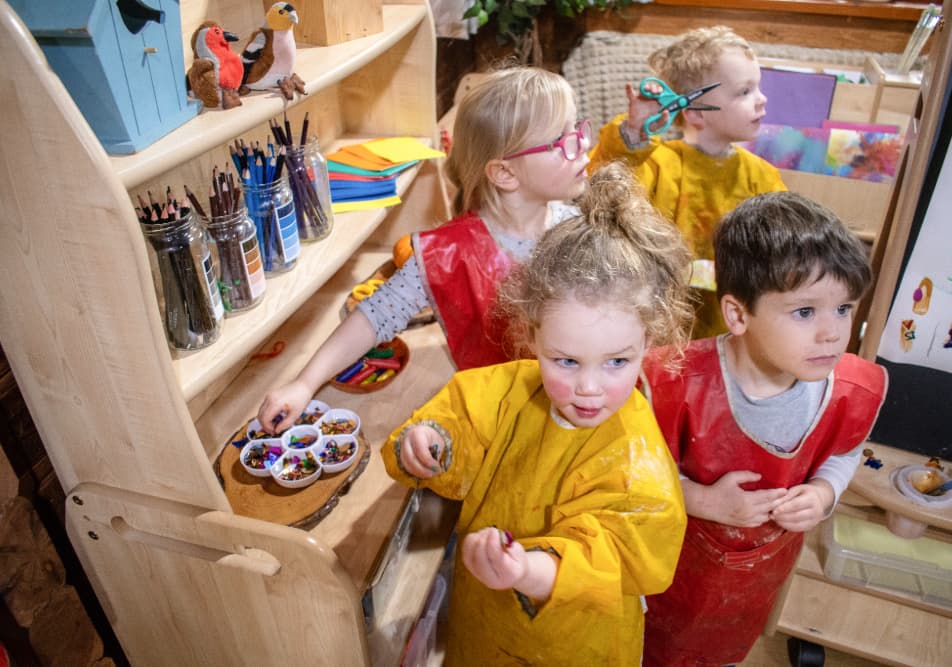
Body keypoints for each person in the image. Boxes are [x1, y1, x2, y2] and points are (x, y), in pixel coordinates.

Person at [381, 162, 694, 665]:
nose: (589, 387)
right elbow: (458, 418)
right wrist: (427, 444)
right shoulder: (507, 389)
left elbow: (614, 555)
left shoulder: (637, 461)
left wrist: (525, 571)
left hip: (573, 642)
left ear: (649, 342)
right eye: (565, 361)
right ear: (532, 336)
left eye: (617, 361)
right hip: (485, 624)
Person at [257, 66, 592, 433]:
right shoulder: (446, 254)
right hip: (499, 419)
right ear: (505, 174)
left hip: (583, 407)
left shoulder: (580, 228)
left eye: (579, 130)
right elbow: (372, 317)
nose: (585, 146)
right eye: (564, 140)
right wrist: (304, 384)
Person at [640, 191, 888, 666]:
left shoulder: (850, 389)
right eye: (805, 311)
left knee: (725, 652)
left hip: (753, 587)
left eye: (844, 308)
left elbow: (842, 453)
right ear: (737, 314)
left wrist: (823, 493)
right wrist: (703, 499)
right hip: (667, 581)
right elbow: (634, 474)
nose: (833, 332)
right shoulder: (670, 382)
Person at [589, 25, 786, 339]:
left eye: (758, 87)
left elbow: (783, 245)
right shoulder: (656, 162)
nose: (762, 99)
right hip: (657, 326)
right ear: (695, 113)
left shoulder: (762, 176)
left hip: (733, 330)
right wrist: (635, 131)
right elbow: (603, 182)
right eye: (744, 92)